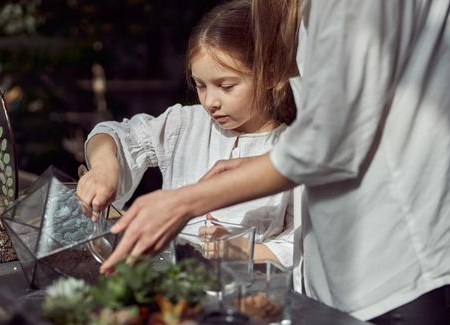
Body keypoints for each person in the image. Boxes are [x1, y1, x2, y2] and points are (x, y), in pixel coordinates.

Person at [101, 0, 450, 325]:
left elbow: (329, 140)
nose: (211, 100)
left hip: (393, 276)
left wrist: (183, 203)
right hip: (361, 278)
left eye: (227, 85)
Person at [76, 0, 302, 266]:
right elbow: (114, 134)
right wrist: (104, 167)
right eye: (200, 86)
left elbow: (298, 244)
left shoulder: (293, 148)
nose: (210, 102)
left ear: (271, 75)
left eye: (226, 86)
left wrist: (243, 249)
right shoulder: (184, 123)